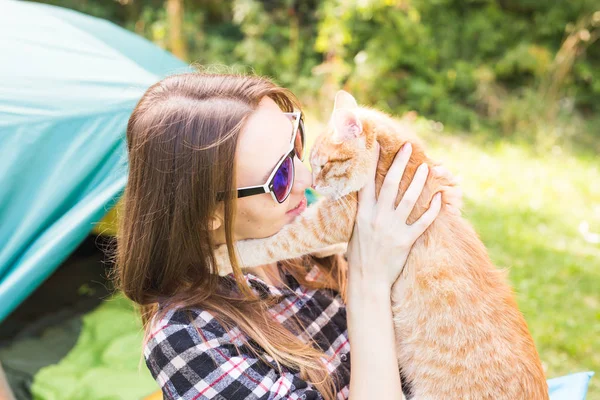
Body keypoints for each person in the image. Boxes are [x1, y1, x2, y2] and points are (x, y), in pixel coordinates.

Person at [115, 73, 450, 400]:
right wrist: (370, 282)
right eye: (281, 176)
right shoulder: (188, 341)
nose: (307, 179)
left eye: (296, 146)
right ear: (207, 215)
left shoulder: (299, 240)